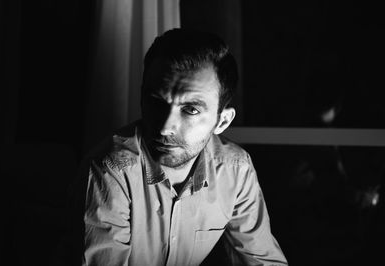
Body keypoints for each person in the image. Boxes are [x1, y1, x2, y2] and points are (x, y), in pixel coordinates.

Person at [80, 28, 287, 266]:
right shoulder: (111, 170)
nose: (165, 127)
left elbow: (263, 261)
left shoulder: (235, 170)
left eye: (191, 109)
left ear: (222, 121)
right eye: (157, 102)